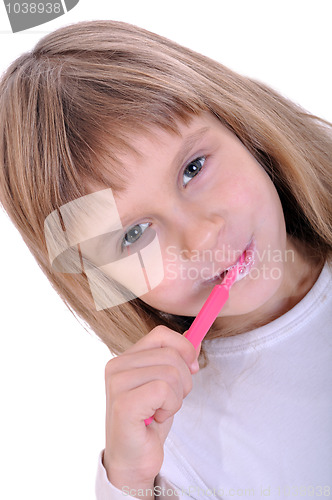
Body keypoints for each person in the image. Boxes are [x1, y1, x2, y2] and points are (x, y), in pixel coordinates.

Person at [0, 20, 331, 500]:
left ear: (244, 129)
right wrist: (131, 483)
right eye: (134, 234)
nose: (200, 237)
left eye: (193, 169)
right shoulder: (174, 442)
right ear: (101, 280)